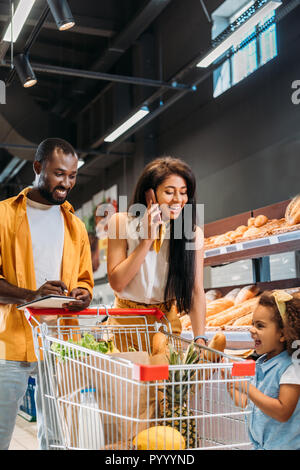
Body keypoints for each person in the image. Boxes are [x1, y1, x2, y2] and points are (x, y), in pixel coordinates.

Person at [0, 137, 94, 450]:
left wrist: (83, 294)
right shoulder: (4, 216)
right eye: (58, 174)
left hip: (59, 342)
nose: (66, 183)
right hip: (10, 340)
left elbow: (85, 279)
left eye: (72, 175)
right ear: (38, 167)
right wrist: (31, 295)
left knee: (56, 438)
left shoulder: (75, 226)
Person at [107, 156, 206, 350]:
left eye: (184, 193)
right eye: (169, 192)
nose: (178, 200)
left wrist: (200, 338)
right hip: (125, 324)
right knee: (129, 380)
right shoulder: (121, 223)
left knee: (166, 380)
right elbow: (117, 282)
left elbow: (195, 290)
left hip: (166, 324)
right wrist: (147, 240)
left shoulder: (192, 234)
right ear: (150, 194)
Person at [224, 290, 300, 450]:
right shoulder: (262, 363)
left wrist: (246, 387)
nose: (252, 330)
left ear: (282, 333)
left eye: (260, 326)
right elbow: (247, 403)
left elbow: (283, 411)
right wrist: (231, 383)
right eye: (252, 324)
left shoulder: (291, 367)